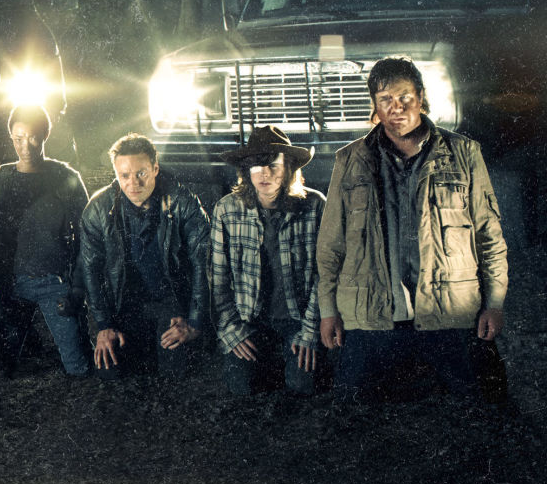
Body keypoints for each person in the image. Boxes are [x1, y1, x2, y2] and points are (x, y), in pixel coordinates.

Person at [317, 57, 508, 403]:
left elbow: (488, 235)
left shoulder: (464, 153)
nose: (397, 108)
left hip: (449, 313)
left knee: (479, 403)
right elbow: (331, 244)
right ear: (375, 106)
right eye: (385, 99)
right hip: (373, 316)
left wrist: (494, 304)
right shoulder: (349, 160)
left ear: (420, 97)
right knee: (355, 407)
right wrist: (328, 310)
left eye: (405, 97)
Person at [80, 133, 210, 379]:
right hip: (125, 304)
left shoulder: (182, 201)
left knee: (177, 370)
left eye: (141, 173)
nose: (133, 183)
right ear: (116, 174)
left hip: (171, 300)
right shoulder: (98, 208)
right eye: (124, 175)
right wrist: (104, 325)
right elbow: (90, 270)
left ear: (155, 168)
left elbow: (202, 263)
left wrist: (194, 322)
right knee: (112, 371)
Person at [208, 126, 326, 396]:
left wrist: (310, 331)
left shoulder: (314, 205)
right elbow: (217, 278)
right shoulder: (227, 209)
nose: (265, 173)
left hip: (297, 319)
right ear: (246, 170)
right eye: (257, 166)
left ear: (288, 168)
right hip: (250, 320)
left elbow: (325, 275)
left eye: (273, 165)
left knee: (303, 384)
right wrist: (232, 330)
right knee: (243, 385)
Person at [0, 105, 90, 377]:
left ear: (44, 135)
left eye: (32, 138)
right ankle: (29, 341)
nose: (25, 146)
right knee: (1, 367)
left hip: (54, 282)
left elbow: (87, 239)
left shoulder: (66, 178)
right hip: (13, 285)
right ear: (11, 137)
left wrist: (76, 290)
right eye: (18, 138)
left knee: (78, 367)